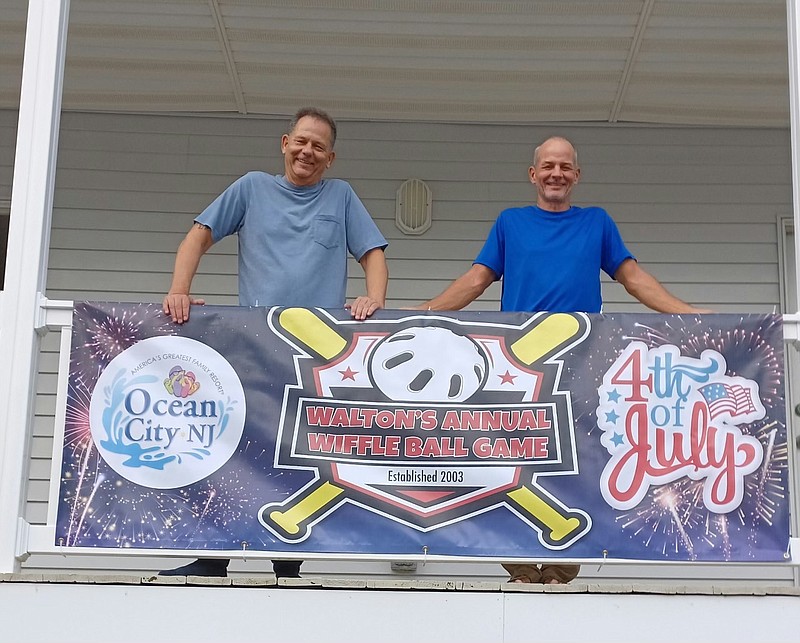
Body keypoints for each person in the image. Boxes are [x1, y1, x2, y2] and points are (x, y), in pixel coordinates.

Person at [415, 135, 708, 585]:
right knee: (503, 461)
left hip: (581, 361)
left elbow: (633, 279)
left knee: (579, 459)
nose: (557, 174)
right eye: (548, 166)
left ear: (577, 176)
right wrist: (422, 316)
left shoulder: (597, 222)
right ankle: (519, 564)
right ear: (533, 175)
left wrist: (688, 315)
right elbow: (477, 279)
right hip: (517, 367)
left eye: (566, 167)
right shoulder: (510, 223)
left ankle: (560, 567)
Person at [159, 107, 388, 579]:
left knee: (303, 450)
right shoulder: (251, 187)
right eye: (301, 141)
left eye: (318, 146)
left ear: (331, 157)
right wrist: (179, 289)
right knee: (236, 446)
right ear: (285, 143)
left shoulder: (341, 196)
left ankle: (289, 561)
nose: (308, 151)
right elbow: (198, 235)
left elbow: (373, 253)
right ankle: (212, 557)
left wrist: (374, 298)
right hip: (256, 345)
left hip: (317, 352)